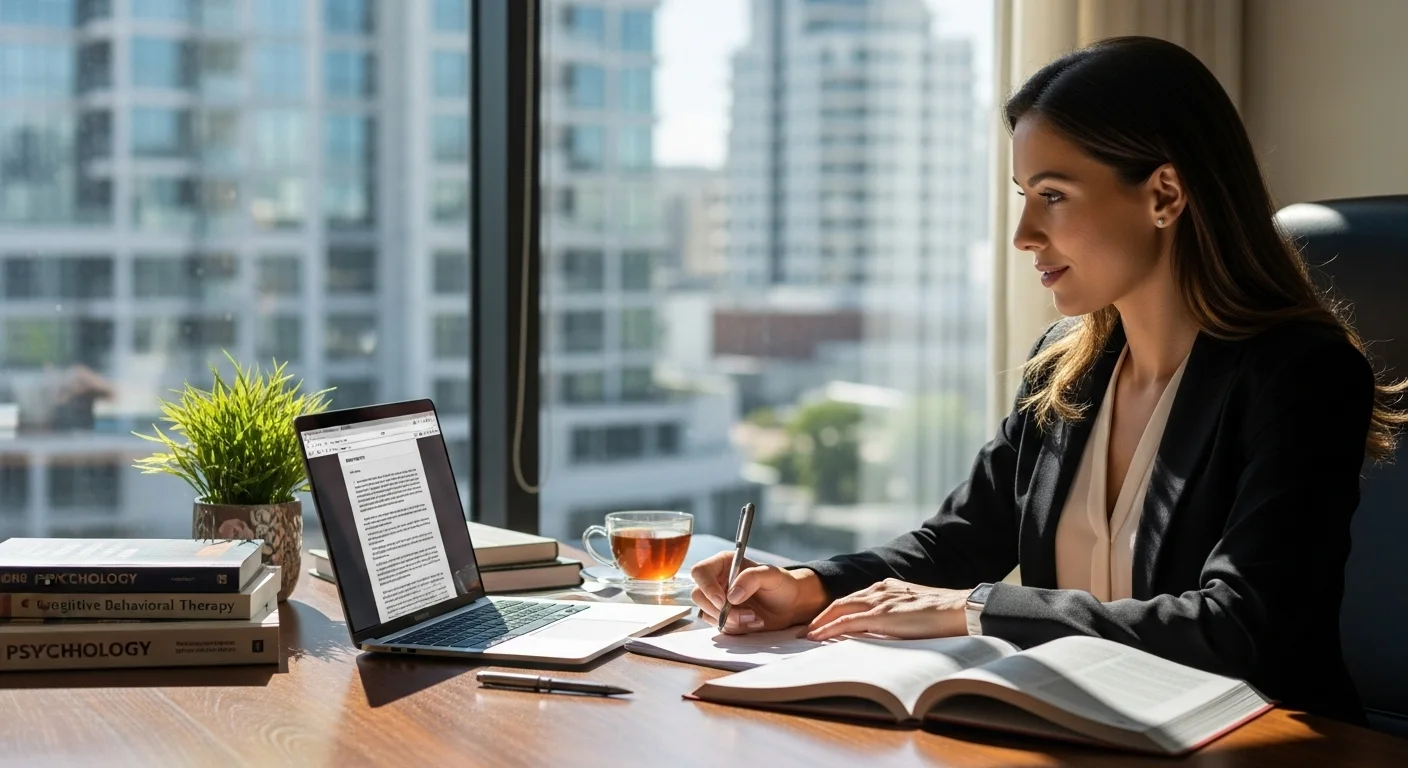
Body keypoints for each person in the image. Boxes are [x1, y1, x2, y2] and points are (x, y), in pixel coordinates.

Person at [690, 36, 1406, 725]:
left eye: (1053, 195)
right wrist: (810, 586)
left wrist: (973, 609)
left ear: (1164, 194)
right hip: (1080, 730)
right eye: (1023, 194)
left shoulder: (1299, 374)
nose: (1024, 234)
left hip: (1254, 744)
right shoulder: (1067, 364)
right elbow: (959, 541)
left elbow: (1241, 628)